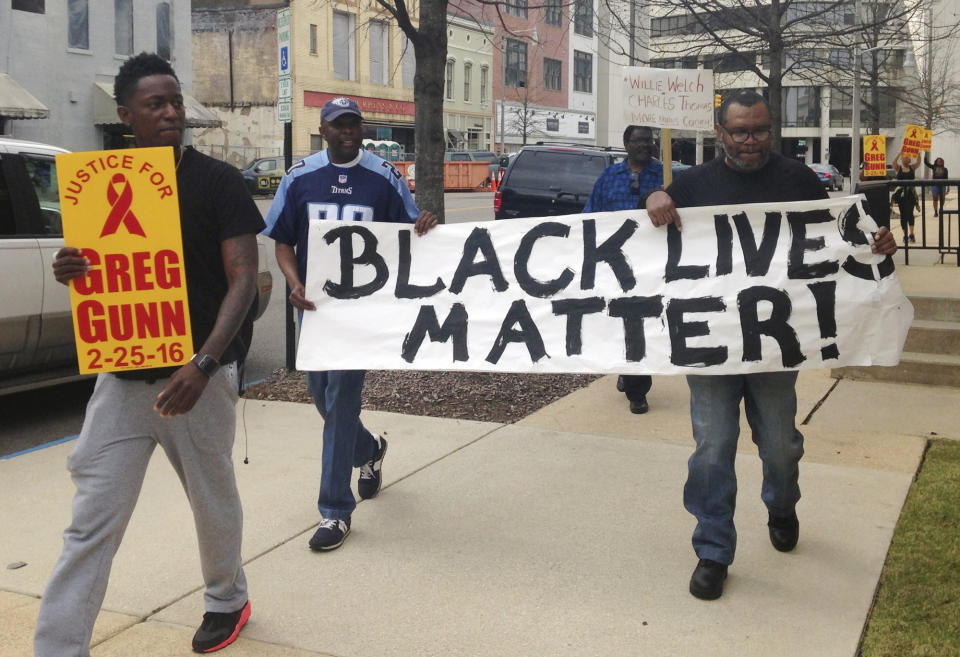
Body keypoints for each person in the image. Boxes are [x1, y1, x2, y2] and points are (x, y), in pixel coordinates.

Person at [35, 53, 263, 655]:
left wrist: (205, 364)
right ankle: (58, 646)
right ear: (125, 114)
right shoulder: (104, 181)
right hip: (121, 380)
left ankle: (226, 598)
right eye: (155, 104)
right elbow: (101, 271)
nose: (171, 112)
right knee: (91, 520)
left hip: (199, 380)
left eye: (176, 100)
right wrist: (71, 269)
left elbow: (243, 281)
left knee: (212, 500)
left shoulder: (219, 181)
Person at [645, 90, 897, 601]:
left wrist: (875, 244)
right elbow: (644, 248)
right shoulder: (690, 186)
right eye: (739, 131)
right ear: (720, 133)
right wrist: (651, 201)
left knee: (780, 446)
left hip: (777, 345)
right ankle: (713, 550)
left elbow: (836, 240)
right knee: (713, 448)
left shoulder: (799, 180)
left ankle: (782, 504)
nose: (751, 141)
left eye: (761, 130)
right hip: (711, 345)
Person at [263, 97, 437, 552]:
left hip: (360, 312)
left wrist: (424, 222)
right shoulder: (300, 177)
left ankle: (334, 511)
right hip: (316, 312)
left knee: (341, 399)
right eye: (339, 125)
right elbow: (282, 241)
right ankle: (369, 451)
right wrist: (294, 282)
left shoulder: (383, 175)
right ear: (322, 129)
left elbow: (411, 228)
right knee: (321, 396)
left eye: (354, 125)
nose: (347, 132)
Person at [583, 125, 664, 415]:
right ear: (626, 143)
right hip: (616, 268)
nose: (646, 145)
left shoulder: (665, 176)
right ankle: (631, 378)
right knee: (623, 323)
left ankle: (635, 383)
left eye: (649, 140)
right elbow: (590, 216)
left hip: (652, 266)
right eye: (639, 140)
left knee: (643, 322)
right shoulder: (608, 178)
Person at [892, 151, 920, 243]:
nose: (907, 159)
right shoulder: (898, 168)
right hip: (901, 195)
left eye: (908, 157)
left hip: (911, 194)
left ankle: (911, 234)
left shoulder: (912, 167)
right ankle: (905, 235)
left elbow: (919, 162)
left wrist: (917, 153)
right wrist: (900, 153)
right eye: (905, 157)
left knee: (910, 214)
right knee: (903, 215)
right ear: (902, 159)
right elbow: (894, 162)